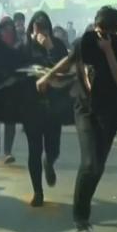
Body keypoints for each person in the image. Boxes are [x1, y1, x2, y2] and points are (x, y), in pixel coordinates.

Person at [36, 6, 117, 232]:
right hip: (86, 110)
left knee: (98, 167)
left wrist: (109, 51)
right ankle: (80, 217)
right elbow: (69, 61)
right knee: (89, 163)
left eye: (107, 32)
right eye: (99, 31)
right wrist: (48, 78)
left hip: (109, 113)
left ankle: (84, 204)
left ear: (115, 30)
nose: (101, 36)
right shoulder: (86, 42)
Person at [20, 11, 68, 207]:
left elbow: (65, 69)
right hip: (32, 107)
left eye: (44, 29)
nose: (40, 33)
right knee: (34, 151)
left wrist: (49, 48)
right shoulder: (25, 48)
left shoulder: (57, 46)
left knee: (53, 148)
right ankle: (37, 192)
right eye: (36, 29)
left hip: (53, 108)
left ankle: (50, 163)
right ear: (31, 30)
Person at [0, 17, 19, 165]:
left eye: (10, 29)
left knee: (10, 121)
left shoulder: (19, 45)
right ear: (0, 30)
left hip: (13, 88)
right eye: (4, 29)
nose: (7, 32)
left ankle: (8, 151)